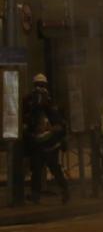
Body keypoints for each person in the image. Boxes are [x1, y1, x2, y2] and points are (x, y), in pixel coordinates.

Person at [23, 74, 68, 204]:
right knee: (41, 169)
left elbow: (58, 124)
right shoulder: (44, 101)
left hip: (47, 143)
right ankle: (40, 195)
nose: (39, 88)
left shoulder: (46, 102)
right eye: (38, 85)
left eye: (41, 85)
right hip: (44, 143)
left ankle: (62, 192)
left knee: (45, 169)